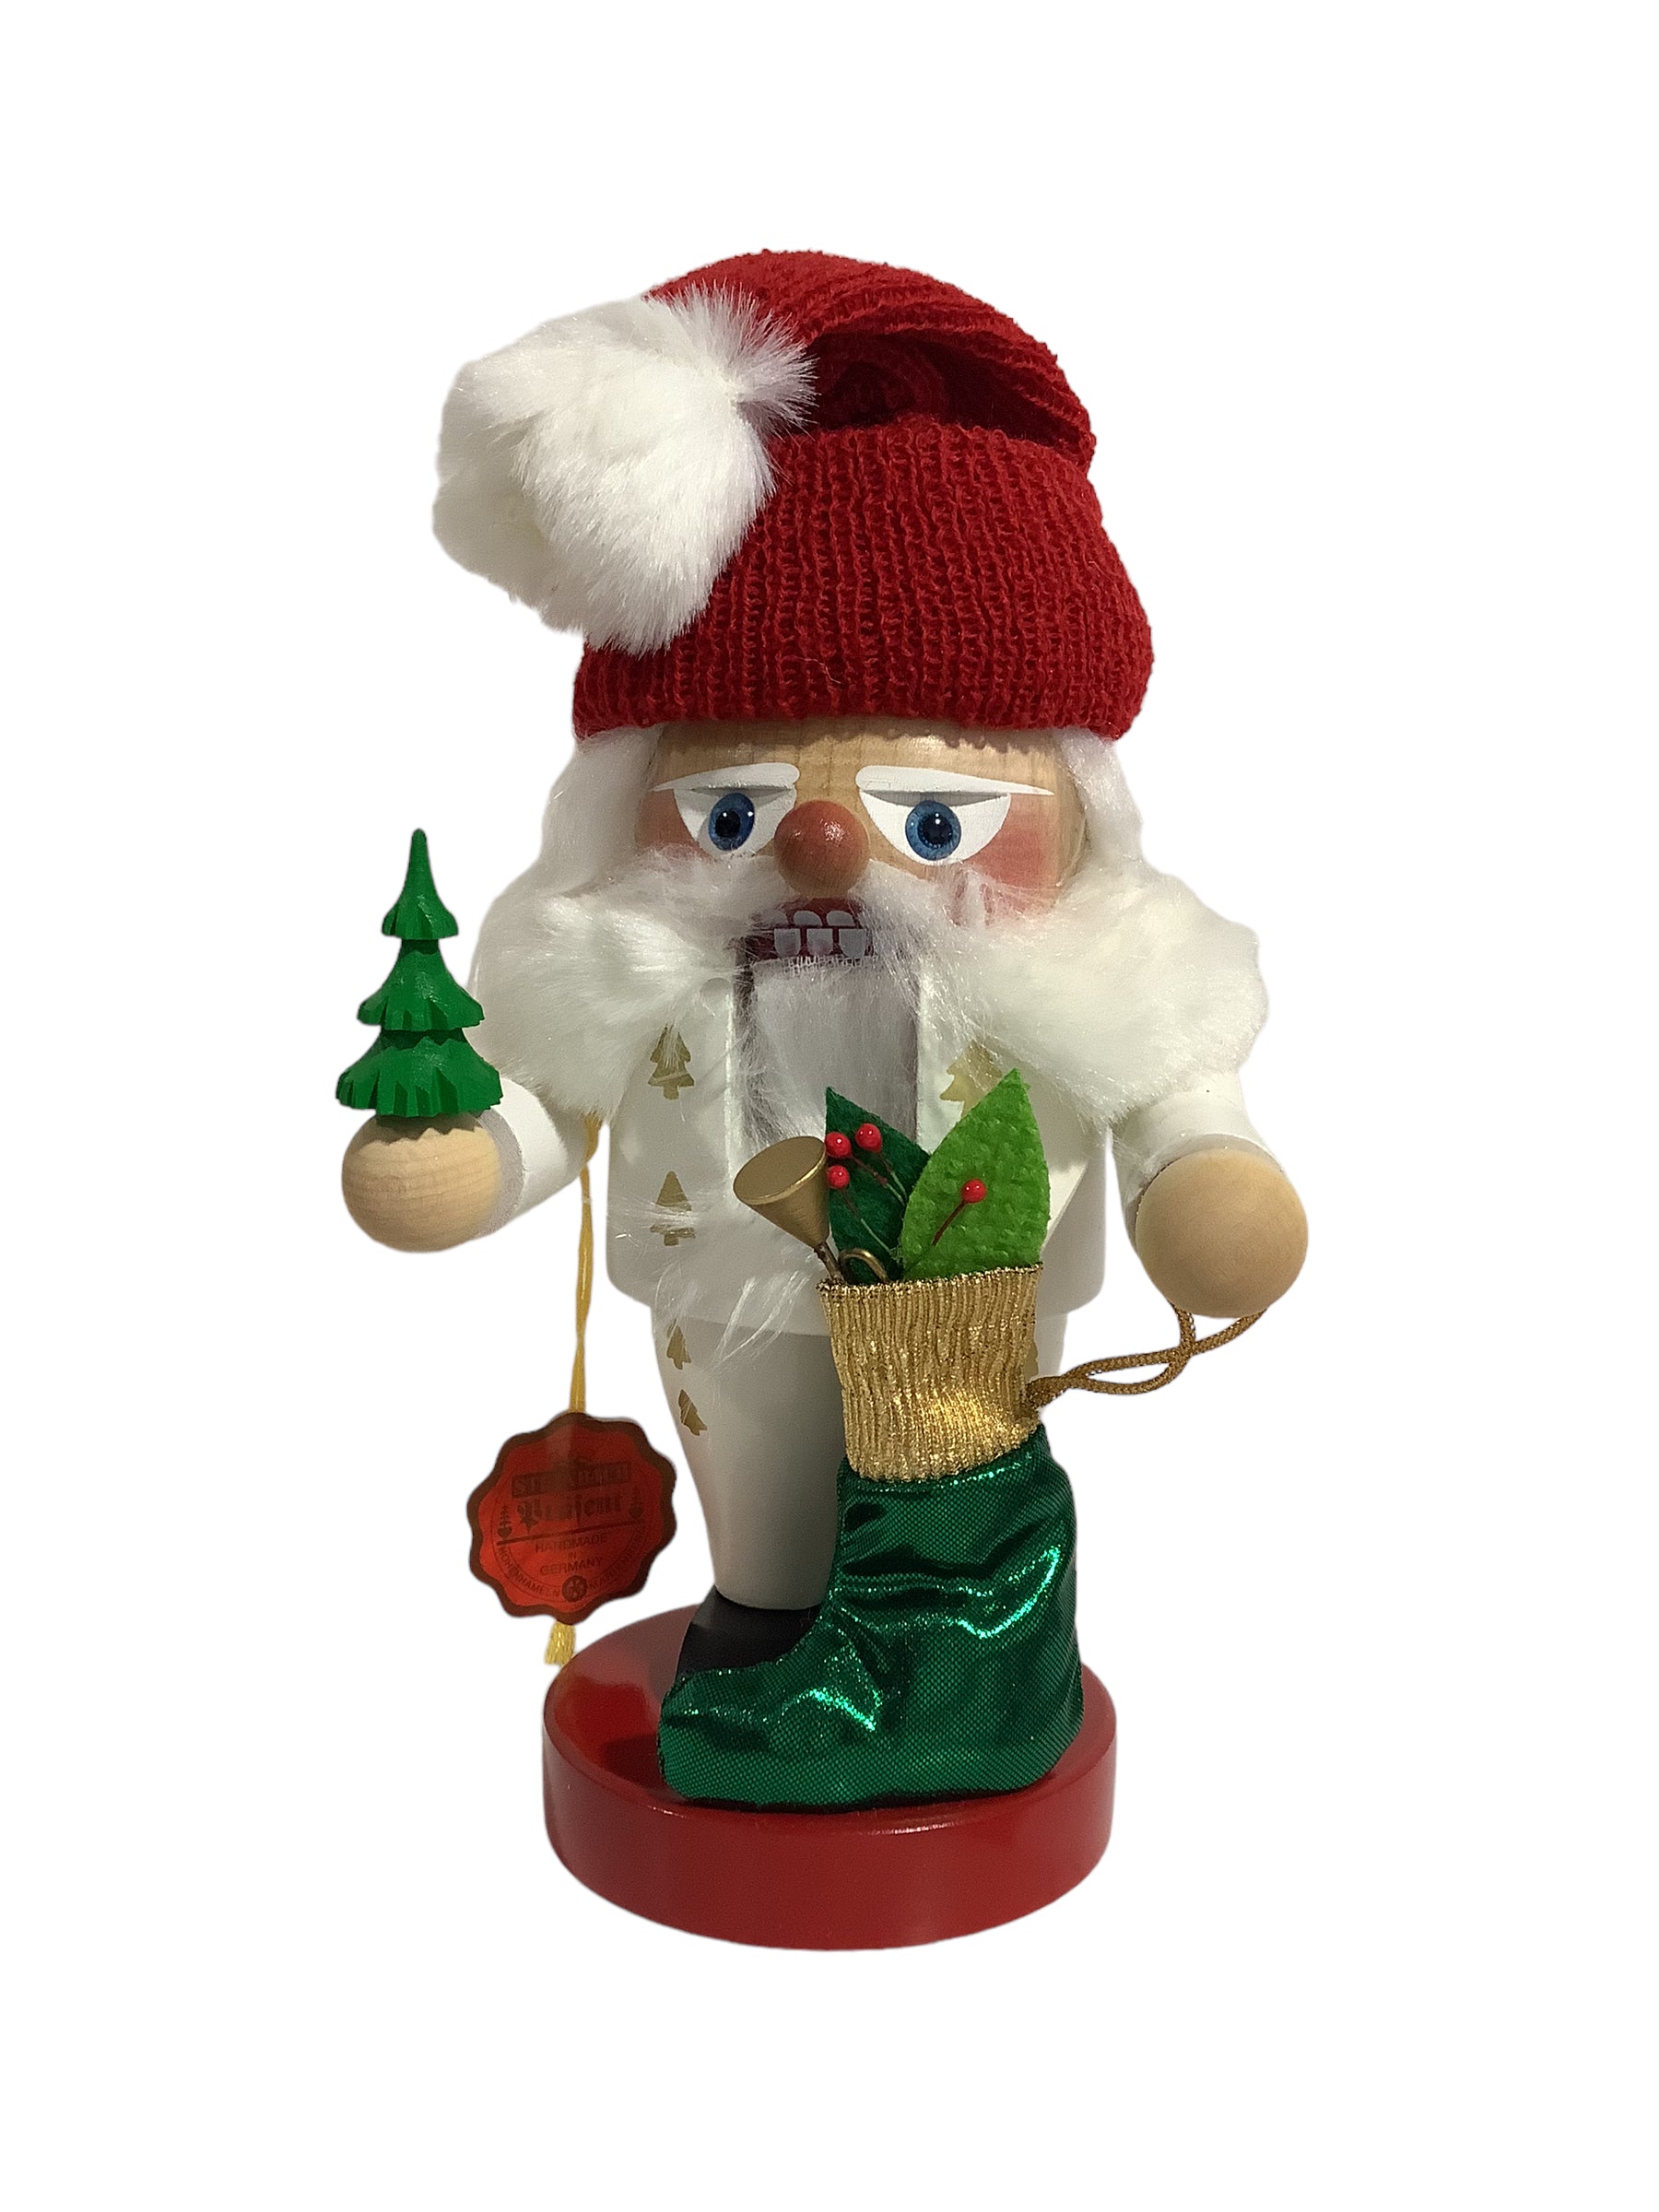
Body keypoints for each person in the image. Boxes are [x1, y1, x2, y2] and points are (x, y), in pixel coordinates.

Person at [341, 251, 1307, 1672]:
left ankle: (948, 1661)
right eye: (733, 817)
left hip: (976, 1307)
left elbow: (1172, 1086)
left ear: (1075, 819)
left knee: (952, 1506)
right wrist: (474, 1158)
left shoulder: (1098, 968)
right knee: (767, 1517)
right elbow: (551, 1098)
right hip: (718, 1288)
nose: (828, 847)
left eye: (936, 823)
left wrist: (1201, 1178)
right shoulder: (626, 966)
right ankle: (769, 1620)